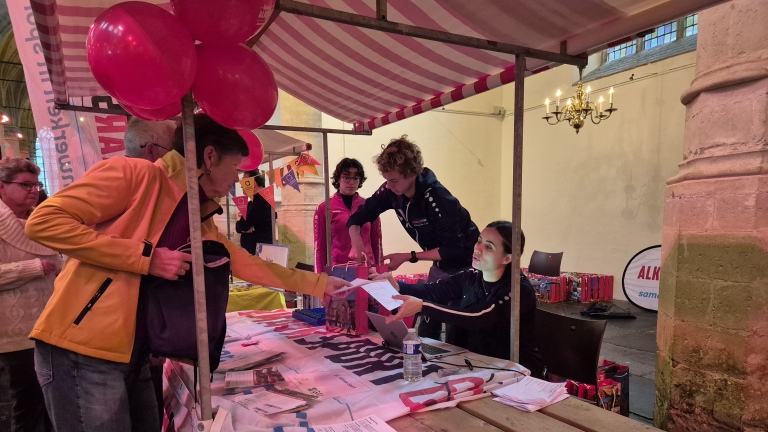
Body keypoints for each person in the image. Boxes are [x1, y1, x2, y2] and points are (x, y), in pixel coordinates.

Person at [25, 113, 349, 430]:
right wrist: (145, 258)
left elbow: (244, 262)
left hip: (136, 353)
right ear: (209, 157)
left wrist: (320, 284)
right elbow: (45, 222)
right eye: (235, 168)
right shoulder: (134, 173)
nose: (238, 179)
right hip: (81, 351)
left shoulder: (197, 212)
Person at [346, 135, 479, 341]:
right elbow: (356, 219)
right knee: (426, 326)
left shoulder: (438, 198)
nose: (388, 186)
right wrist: (357, 245)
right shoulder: (391, 190)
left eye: (394, 181)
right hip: (440, 265)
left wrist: (410, 256)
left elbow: (454, 250)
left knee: (455, 331)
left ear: (411, 174)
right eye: (386, 180)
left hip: (466, 268)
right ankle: (425, 363)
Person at [381, 221, 545, 378]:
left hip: (517, 374)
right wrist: (397, 286)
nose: (478, 249)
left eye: (489, 247)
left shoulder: (517, 290)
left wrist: (423, 306)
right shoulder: (471, 276)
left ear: (507, 258)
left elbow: (478, 317)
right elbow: (432, 291)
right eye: (479, 241)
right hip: (476, 366)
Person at [0, 158, 59, 431]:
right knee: (27, 403)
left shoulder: (44, 220)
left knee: (53, 400)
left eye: (36, 184)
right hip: (16, 333)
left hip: (51, 324)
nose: (33, 190)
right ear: (1, 187)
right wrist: (33, 267)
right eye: (25, 184)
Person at [314, 158, 382, 273]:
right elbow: (319, 247)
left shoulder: (369, 205)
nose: (351, 182)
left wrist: (380, 271)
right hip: (338, 271)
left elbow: (377, 243)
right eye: (346, 177)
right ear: (338, 179)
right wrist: (319, 278)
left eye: (355, 178)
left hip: (367, 270)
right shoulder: (324, 208)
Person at [236, 171, 275, 254]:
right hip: (254, 251)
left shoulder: (261, 201)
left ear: (253, 184)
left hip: (260, 252)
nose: (241, 186)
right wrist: (242, 225)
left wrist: (242, 225)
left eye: (243, 182)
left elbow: (243, 226)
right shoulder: (252, 203)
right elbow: (240, 227)